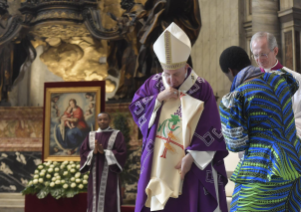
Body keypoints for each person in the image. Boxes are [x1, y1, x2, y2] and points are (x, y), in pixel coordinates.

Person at [130, 22, 228, 212]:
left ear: (186, 66)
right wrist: (158, 98)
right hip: (157, 163)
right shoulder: (153, 84)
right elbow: (136, 107)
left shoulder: (201, 88)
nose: (171, 80)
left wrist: (192, 156)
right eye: (167, 74)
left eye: (176, 74)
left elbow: (211, 127)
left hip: (190, 166)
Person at [219, 46, 301, 211]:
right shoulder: (283, 80)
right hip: (295, 161)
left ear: (230, 71)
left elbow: (235, 144)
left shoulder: (235, 99)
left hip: (264, 169)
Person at [250, 32, 301, 138]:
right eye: (255, 55)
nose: (259, 59)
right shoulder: (249, 82)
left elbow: (299, 117)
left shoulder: (296, 79)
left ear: (275, 51)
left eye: (263, 54)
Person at [80, 112, 127, 212]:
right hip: (94, 173)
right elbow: (83, 151)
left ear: (109, 120)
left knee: (110, 197)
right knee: (94, 197)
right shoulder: (91, 135)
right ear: (97, 121)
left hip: (110, 174)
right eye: (100, 119)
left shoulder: (116, 134)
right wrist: (94, 151)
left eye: (105, 119)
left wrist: (105, 151)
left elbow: (122, 152)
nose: (102, 121)